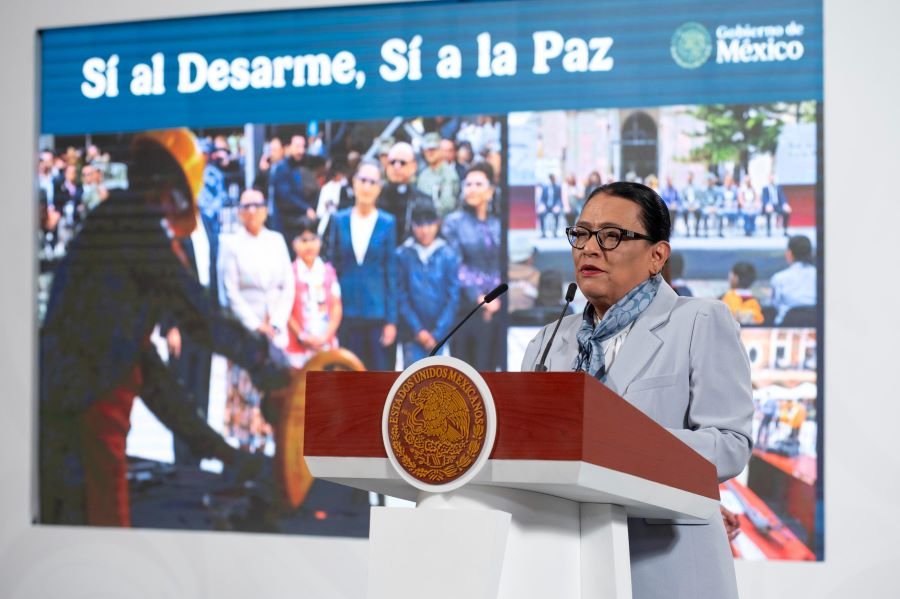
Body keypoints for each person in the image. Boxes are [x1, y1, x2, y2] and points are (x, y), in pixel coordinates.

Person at [39, 129, 290, 527]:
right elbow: (199, 319)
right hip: (76, 421)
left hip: (66, 417)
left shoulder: (114, 266)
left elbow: (152, 378)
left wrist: (223, 453)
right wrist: (265, 359)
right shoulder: (131, 221)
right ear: (167, 190)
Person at [521, 181, 752, 599]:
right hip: (565, 565)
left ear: (656, 256)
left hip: (667, 568)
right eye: (581, 234)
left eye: (611, 236)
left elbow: (730, 444)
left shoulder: (699, 320)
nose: (590, 248)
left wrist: (621, 444)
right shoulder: (548, 341)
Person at [220, 188, 295, 452]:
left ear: (265, 210)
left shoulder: (276, 240)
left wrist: (275, 322)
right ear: (239, 211)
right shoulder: (230, 244)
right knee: (245, 393)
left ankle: (267, 451)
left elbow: (288, 284)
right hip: (245, 331)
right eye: (246, 206)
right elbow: (230, 291)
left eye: (257, 205)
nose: (252, 211)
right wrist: (255, 325)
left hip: (274, 330)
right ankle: (244, 454)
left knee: (273, 392)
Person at [326, 159, 398, 370]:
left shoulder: (388, 222)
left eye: (372, 182)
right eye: (363, 180)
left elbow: (390, 272)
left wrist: (391, 320)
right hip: (346, 313)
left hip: (376, 313)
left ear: (379, 188)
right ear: (354, 183)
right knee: (347, 378)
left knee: (377, 379)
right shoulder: (339, 220)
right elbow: (333, 267)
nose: (367, 187)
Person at [442, 163, 503, 371]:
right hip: (465, 309)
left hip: (496, 310)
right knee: (465, 375)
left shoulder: (498, 223)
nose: (472, 188)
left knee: (493, 373)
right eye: (468, 184)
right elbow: (456, 265)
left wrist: (495, 298)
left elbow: (501, 264)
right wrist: (479, 298)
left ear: (490, 190)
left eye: (478, 184)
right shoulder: (453, 223)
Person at [395, 199, 460, 367]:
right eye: (419, 225)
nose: (424, 230)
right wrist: (418, 330)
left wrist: (439, 332)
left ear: (438, 224)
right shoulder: (404, 254)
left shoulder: (448, 254)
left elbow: (453, 297)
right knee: (413, 381)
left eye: (429, 224)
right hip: (412, 334)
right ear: (412, 226)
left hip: (440, 334)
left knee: (439, 381)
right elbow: (400, 294)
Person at [285, 216, 342, 368]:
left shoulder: (328, 271)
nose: (309, 245)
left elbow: (336, 306)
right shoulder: (289, 273)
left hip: (326, 345)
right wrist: (303, 337)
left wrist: (326, 336)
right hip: (298, 348)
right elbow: (286, 311)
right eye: (303, 240)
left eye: (313, 239)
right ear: (294, 244)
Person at [770, 234, 816, 325]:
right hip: (817, 323)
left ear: (789, 253)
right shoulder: (819, 276)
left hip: (788, 325)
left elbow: (775, 304)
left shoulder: (779, 278)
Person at [416, 132, 460, 217]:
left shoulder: (448, 174)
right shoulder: (423, 174)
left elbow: (447, 205)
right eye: (426, 149)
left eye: (433, 149)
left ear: (440, 150)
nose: (429, 153)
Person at [761, 172, 791, 237]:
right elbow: (764, 198)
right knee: (768, 212)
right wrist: (767, 204)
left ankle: (785, 231)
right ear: (768, 179)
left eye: (773, 178)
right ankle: (768, 231)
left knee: (787, 212)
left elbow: (782, 197)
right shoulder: (765, 188)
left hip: (778, 205)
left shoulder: (779, 187)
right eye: (770, 178)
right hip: (769, 206)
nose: (772, 179)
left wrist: (785, 204)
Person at [537, 173, 563, 238]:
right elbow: (542, 198)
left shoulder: (557, 187)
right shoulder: (545, 187)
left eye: (553, 179)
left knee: (556, 214)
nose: (552, 180)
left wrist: (558, 206)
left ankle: (555, 232)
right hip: (546, 206)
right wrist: (542, 205)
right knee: (541, 214)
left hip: (554, 206)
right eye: (551, 179)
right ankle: (543, 232)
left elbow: (559, 198)